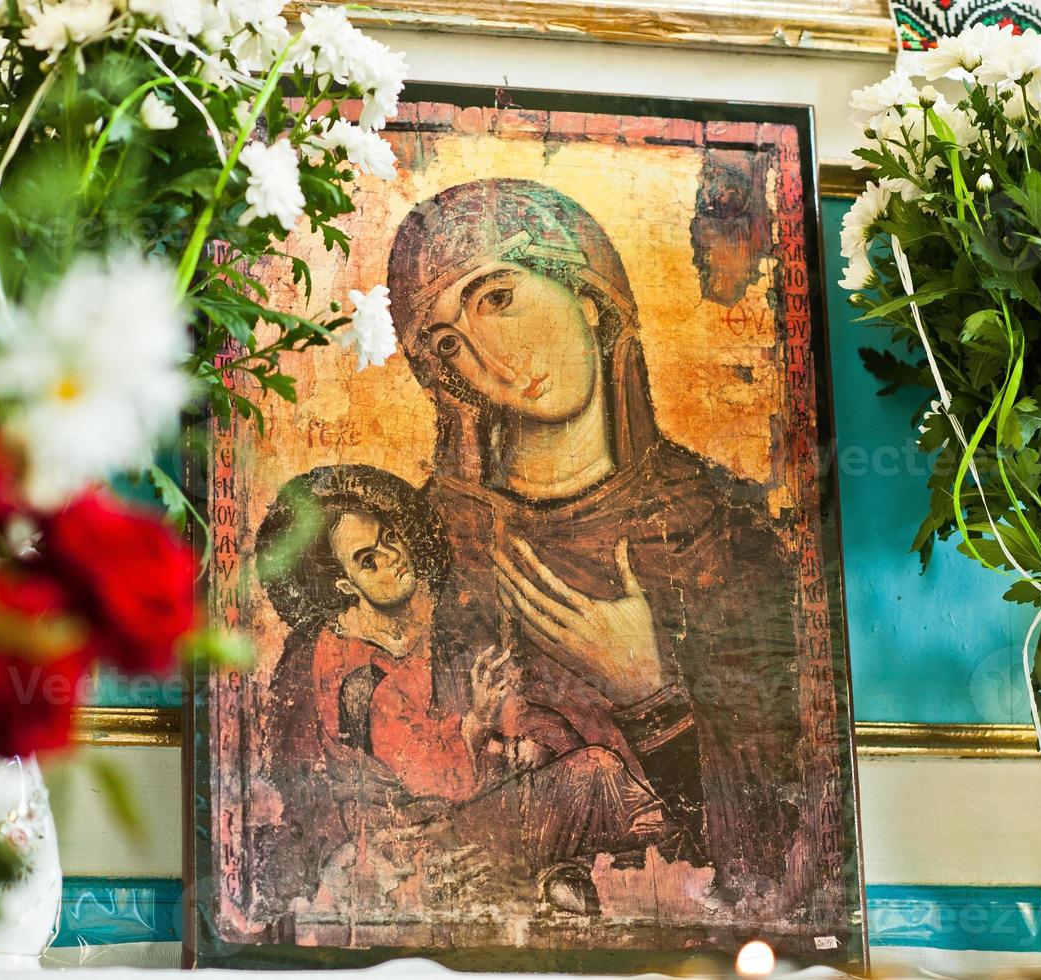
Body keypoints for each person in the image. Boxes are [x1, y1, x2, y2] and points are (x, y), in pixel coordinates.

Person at [387, 178, 810, 906]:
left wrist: (647, 691)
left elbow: (776, 848)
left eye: (498, 298)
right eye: (450, 342)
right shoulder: (424, 545)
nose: (492, 358)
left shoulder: (725, 534)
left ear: (586, 295)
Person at [250, 464, 677, 920]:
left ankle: (583, 875)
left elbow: (505, 719)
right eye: (367, 559)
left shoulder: (433, 625)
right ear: (344, 585)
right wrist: (479, 721)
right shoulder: (356, 675)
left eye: (389, 537)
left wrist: (517, 747)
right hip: (418, 845)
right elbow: (429, 773)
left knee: (592, 767)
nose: (392, 557)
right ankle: (652, 873)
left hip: (464, 811)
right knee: (598, 772)